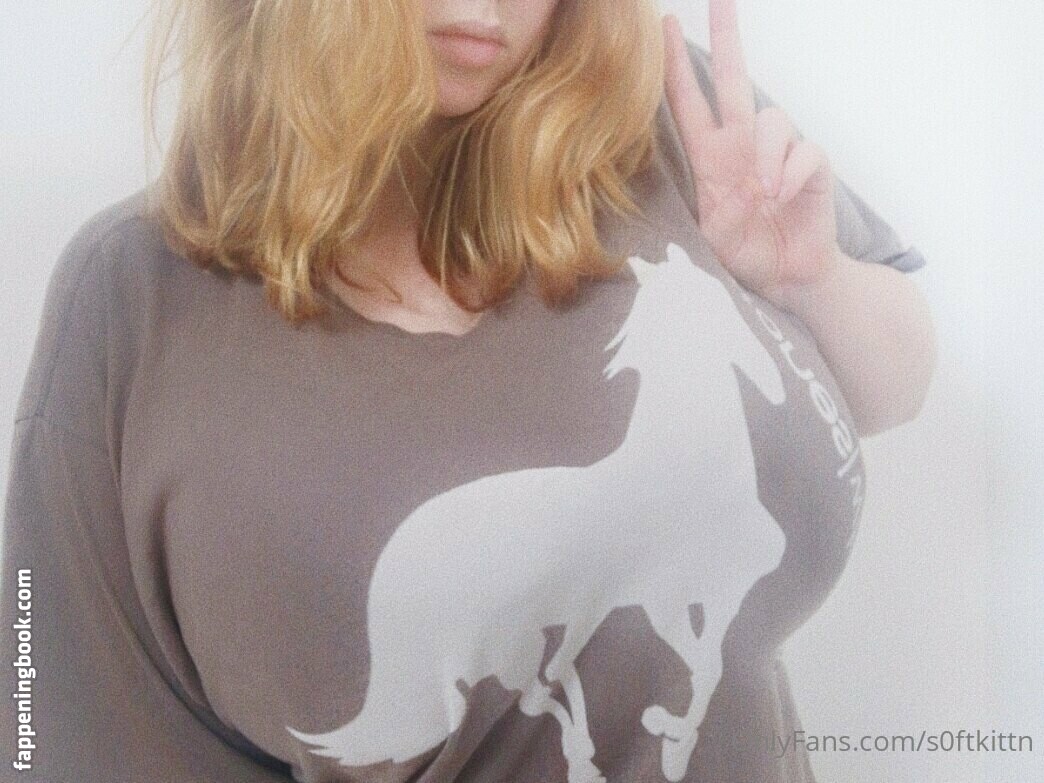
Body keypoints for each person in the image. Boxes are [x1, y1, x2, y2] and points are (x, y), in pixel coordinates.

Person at [0, 1, 936, 781]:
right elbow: (62, 731)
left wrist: (808, 279)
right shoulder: (132, 308)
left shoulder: (655, 118)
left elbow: (899, 386)